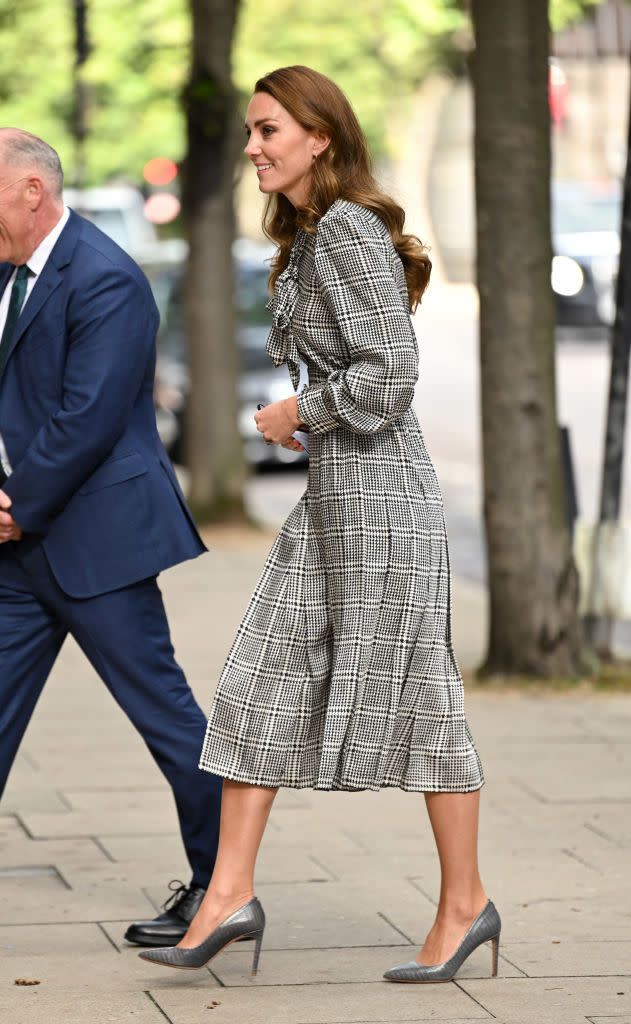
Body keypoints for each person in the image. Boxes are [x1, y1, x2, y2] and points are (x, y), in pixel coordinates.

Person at [140, 65, 501, 983]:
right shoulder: (308, 238)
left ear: (320, 138)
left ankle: (464, 907)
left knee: (420, 704)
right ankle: (228, 895)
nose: (253, 146)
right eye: (253, 131)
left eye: (269, 131)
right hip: (334, 505)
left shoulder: (344, 233)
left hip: (383, 508)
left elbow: (391, 376)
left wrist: (298, 413)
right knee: (257, 684)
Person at [0, 129, 223, 948]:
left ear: (31, 190)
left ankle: (219, 887)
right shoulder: (10, 273)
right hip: (22, 551)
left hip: (96, 543)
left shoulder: (105, 278)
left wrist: (16, 503)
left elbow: (88, 417)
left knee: (166, 719)